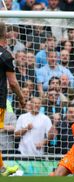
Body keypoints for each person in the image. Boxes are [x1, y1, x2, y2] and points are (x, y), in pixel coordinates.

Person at [0, 22, 26, 176]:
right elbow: (14, 83)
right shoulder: (6, 55)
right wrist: (22, 99)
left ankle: (2, 168)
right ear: (7, 35)